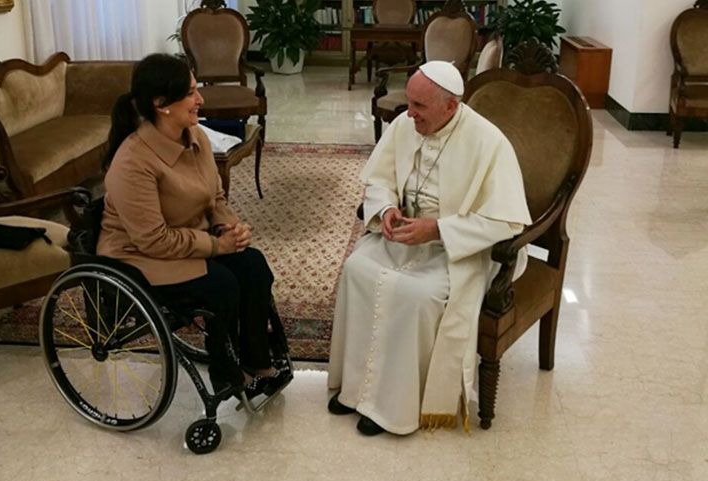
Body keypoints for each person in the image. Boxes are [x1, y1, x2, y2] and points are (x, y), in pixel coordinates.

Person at [327, 61, 532, 436]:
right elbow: (379, 179)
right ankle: (356, 390)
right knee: (357, 269)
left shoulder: (488, 142)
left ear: (450, 106)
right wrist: (387, 208)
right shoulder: (406, 126)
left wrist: (438, 229)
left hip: (457, 248)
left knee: (415, 293)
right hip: (405, 233)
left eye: (419, 106)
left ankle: (392, 406)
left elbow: (506, 222)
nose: (409, 113)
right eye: (409, 102)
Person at [97, 53, 286, 399]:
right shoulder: (133, 161)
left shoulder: (194, 134)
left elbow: (214, 198)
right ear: (161, 104)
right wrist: (216, 247)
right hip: (139, 256)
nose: (200, 100)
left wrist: (230, 229)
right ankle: (226, 373)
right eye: (191, 93)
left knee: (254, 265)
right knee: (223, 284)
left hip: (188, 241)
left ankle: (257, 360)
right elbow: (153, 240)